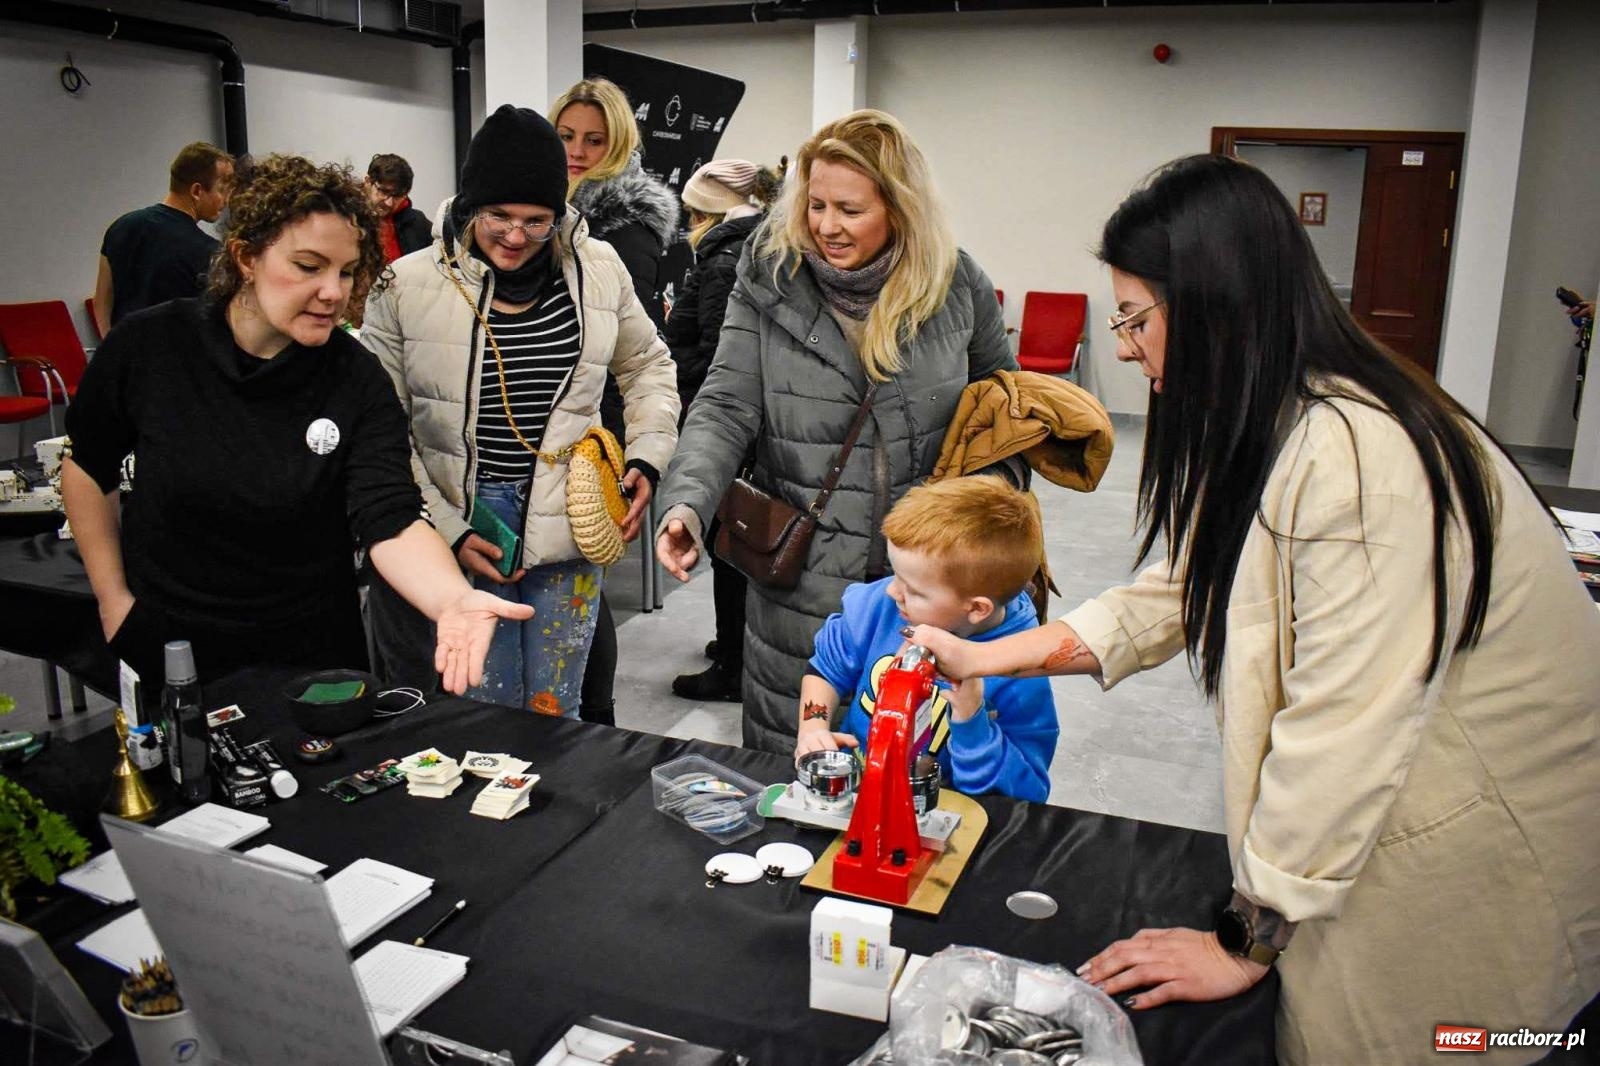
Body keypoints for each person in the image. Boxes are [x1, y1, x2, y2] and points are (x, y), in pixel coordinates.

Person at [907, 154, 1600, 1064]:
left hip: (1466, 856)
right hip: (1384, 830)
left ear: (1216, 306)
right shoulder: (1284, 421)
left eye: (1136, 318)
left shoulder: (1361, 460)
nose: (1125, 347)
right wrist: (983, 655)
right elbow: (1174, 592)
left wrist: (1245, 938)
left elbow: (1343, 727)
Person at [62, 154, 530, 694]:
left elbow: (390, 515)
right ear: (245, 258)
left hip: (312, 656)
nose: (333, 291)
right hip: (172, 644)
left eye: (346, 272)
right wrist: (113, 599)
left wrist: (450, 598)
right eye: (309, 267)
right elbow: (88, 468)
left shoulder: (354, 378)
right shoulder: (151, 347)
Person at [654, 109, 1015, 753]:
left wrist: (981, 517)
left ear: (899, 209)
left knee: (910, 776)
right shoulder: (768, 279)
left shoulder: (957, 284)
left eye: (850, 209)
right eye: (815, 205)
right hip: (802, 586)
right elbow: (725, 405)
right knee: (796, 766)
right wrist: (687, 503)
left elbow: (1007, 413)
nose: (826, 226)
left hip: (927, 589)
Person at [362, 105, 679, 718]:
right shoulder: (403, 286)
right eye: (499, 217)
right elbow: (383, 433)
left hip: (571, 517)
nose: (515, 237)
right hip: (461, 521)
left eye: (537, 221)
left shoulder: (599, 269)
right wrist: (448, 530)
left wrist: (646, 455)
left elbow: (647, 365)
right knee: (485, 715)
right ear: (468, 205)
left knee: (558, 709)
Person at [797, 477, 1056, 803]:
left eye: (914, 591)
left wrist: (972, 721)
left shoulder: (1022, 668)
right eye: (895, 575)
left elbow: (1027, 793)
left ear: (977, 608)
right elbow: (826, 667)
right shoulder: (881, 604)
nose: (893, 591)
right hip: (860, 797)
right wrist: (813, 728)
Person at [551, 76, 680, 726]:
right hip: (537, 431)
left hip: (589, 433)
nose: (577, 150)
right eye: (566, 135)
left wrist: (636, 452)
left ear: (619, 144)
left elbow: (637, 354)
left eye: (594, 140)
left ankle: (595, 724)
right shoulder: (539, 214)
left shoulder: (621, 232)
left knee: (580, 583)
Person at [664, 158, 786, 704]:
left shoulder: (722, 261)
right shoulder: (753, 249)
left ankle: (734, 664)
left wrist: (679, 365)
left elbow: (721, 358)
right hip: (753, 427)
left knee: (730, 543)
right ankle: (734, 644)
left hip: (728, 425)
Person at [94, 142, 235, 335]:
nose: (226, 200)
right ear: (196, 191)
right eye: (222, 190)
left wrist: (110, 345)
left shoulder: (120, 227)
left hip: (126, 349)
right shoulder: (208, 251)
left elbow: (101, 302)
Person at [366, 153, 433, 263]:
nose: (389, 203)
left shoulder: (418, 223)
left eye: (398, 196)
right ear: (368, 182)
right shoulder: (348, 218)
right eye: (384, 191)